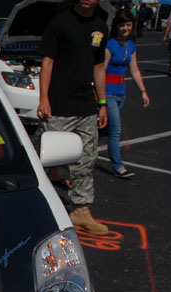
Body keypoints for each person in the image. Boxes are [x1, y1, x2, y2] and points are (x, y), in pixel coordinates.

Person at [36, 0, 110, 236]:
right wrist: (43, 98)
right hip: (58, 105)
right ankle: (36, 205)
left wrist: (102, 103)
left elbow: (99, 68)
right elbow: (47, 61)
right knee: (45, 160)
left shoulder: (100, 27)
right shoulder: (61, 22)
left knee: (86, 161)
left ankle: (80, 210)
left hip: (86, 106)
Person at [104, 9, 150, 179]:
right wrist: (98, 95)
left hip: (120, 93)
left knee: (105, 129)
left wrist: (143, 91)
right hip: (107, 93)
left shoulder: (131, 46)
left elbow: (135, 70)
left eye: (128, 25)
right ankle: (118, 166)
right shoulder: (109, 45)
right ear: (116, 26)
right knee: (116, 130)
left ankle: (83, 155)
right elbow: (101, 70)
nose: (125, 28)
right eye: (122, 25)